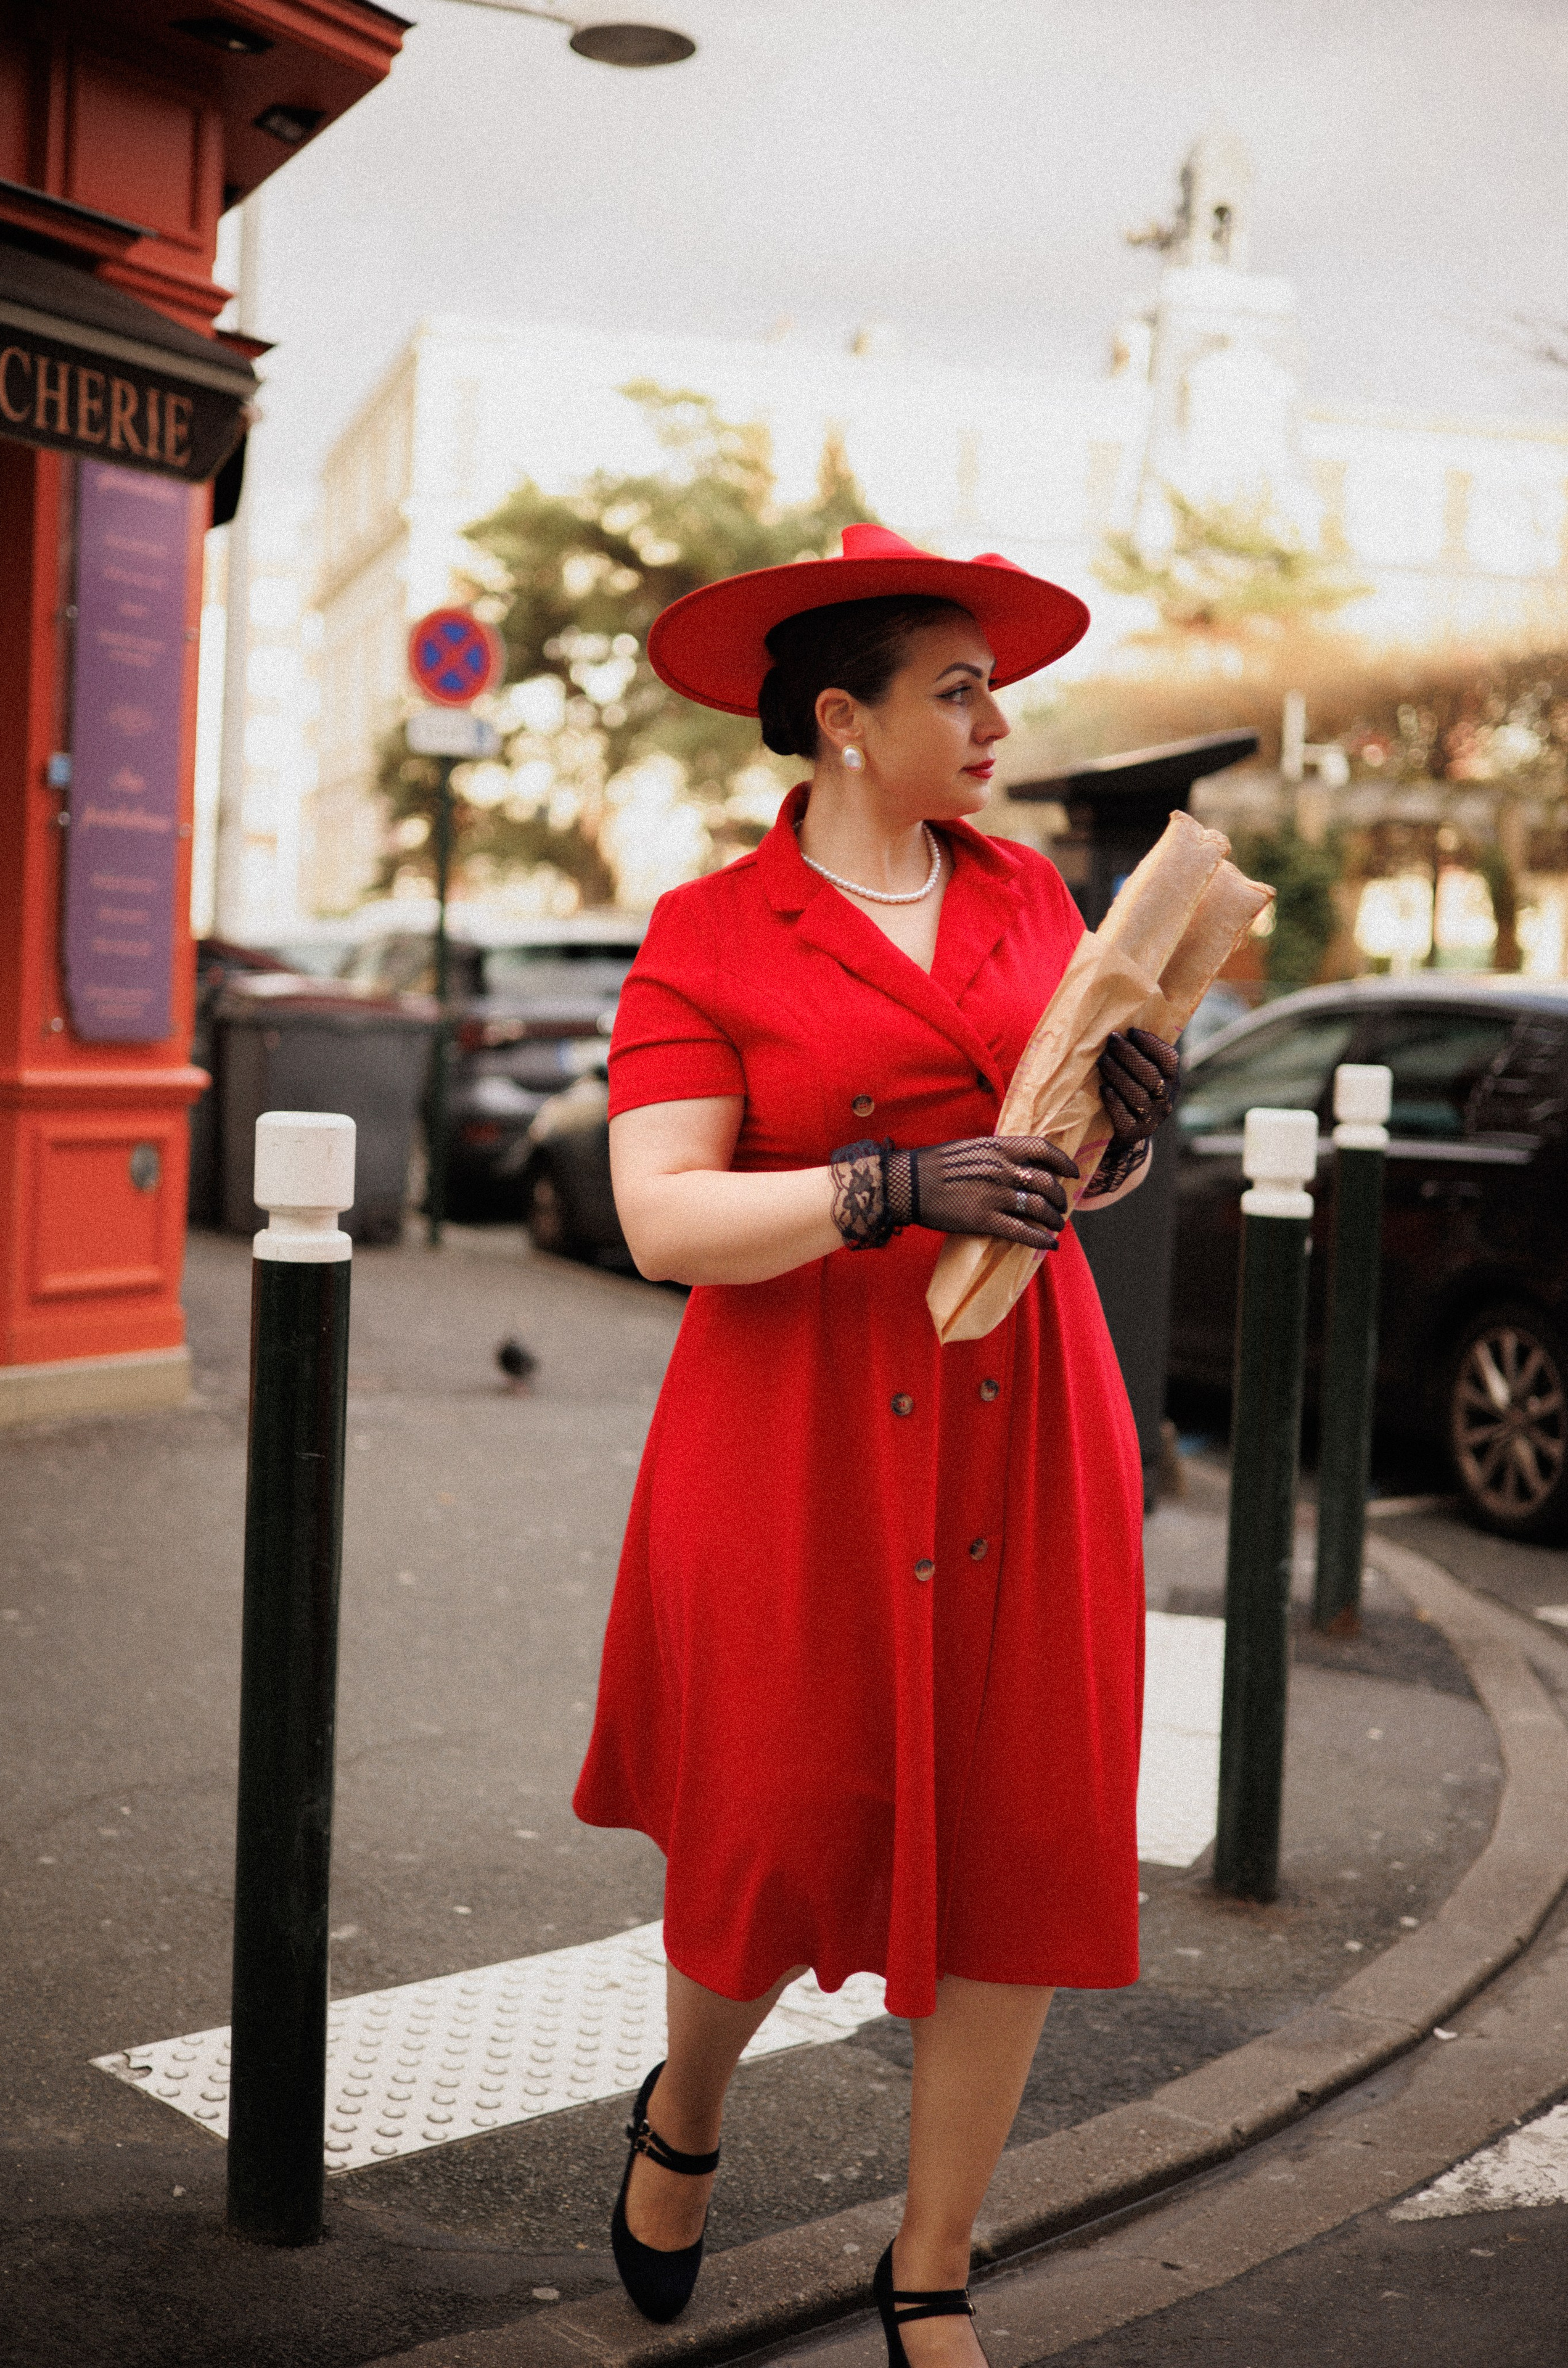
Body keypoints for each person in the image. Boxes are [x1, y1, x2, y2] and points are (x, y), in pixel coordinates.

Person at [572, 524, 1180, 2366]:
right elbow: (663, 1217)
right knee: (766, 1830)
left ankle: (934, 2265)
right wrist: (881, 1186)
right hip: (799, 1443)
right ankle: (686, 2110)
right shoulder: (707, 934)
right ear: (844, 720)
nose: (999, 717)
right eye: (961, 686)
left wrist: (1135, 1122)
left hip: (1023, 1427)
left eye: (998, 682)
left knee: (1021, 1840)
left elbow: (1070, 1174)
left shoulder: (1037, 907)